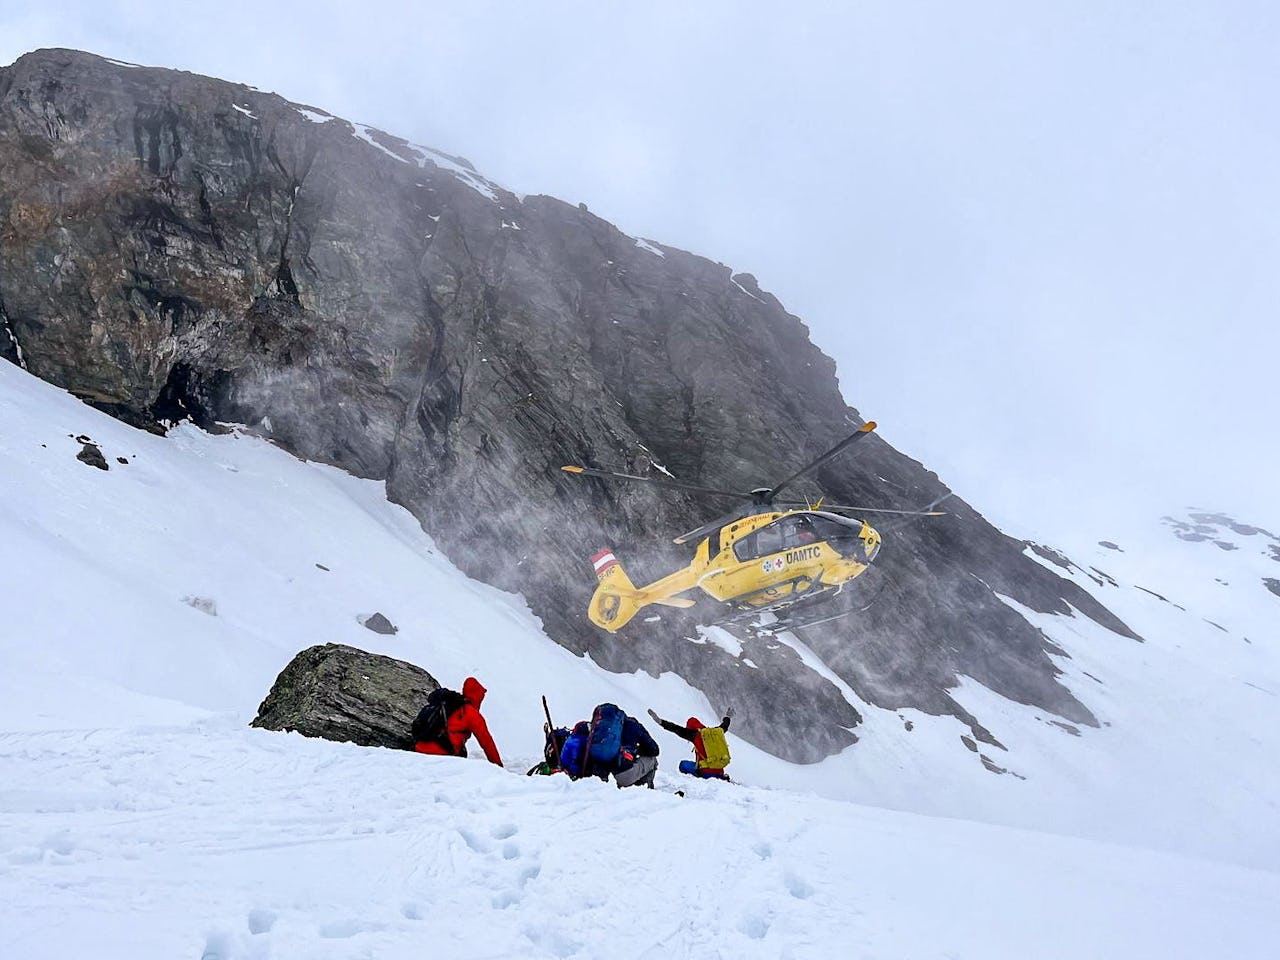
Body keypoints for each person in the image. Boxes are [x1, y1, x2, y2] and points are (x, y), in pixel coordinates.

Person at [560, 704, 660, 788]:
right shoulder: (634, 726)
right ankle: (645, 786)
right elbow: (655, 750)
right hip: (622, 777)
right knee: (652, 759)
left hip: (597, 775)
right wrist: (636, 750)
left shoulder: (598, 729)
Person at [413, 676, 503, 767]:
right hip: (441, 754)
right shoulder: (470, 713)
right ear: (477, 696)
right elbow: (486, 741)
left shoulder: (452, 705)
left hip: (420, 749)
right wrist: (498, 765)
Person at [647, 708, 732, 781]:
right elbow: (724, 726)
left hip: (706, 773)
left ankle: (692, 779)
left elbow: (675, 728)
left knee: (683, 764)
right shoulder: (715, 732)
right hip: (720, 772)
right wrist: (728, 716)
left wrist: (660, 722)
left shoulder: (694, 734)